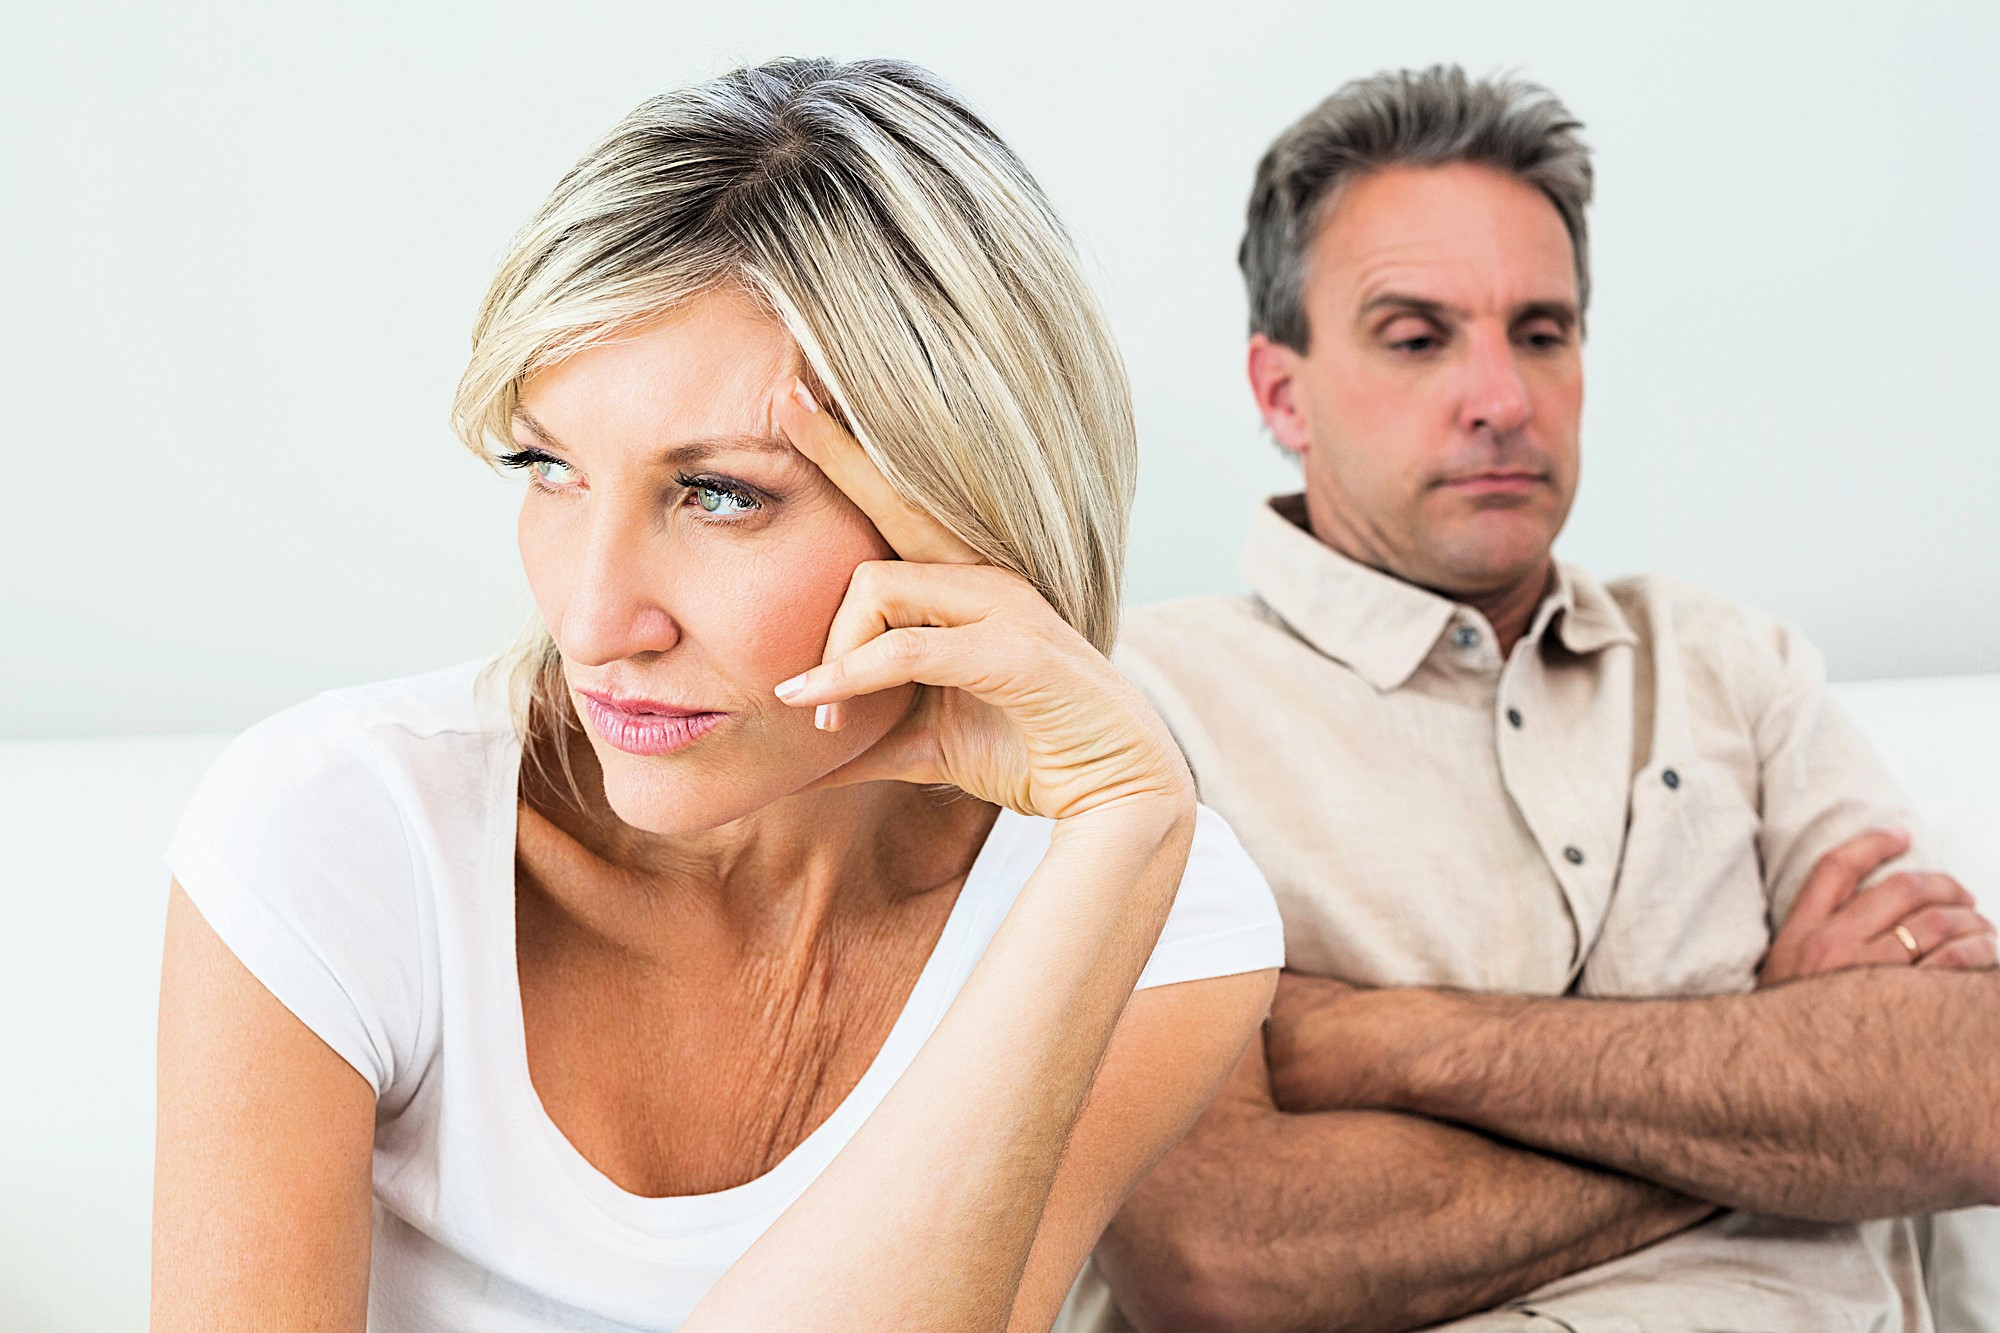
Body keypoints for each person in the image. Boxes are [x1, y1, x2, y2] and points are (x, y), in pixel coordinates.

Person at [150, 58, 1282, 1332]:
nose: (591, 622)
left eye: (720, 494)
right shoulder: (341, 830)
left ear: (968, 502)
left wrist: (1123, 829)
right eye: (549, 466)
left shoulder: (1153, 903)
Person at [1067, 65, 2000, 1332]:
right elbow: (1224, 1256)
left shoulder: (1732, 662)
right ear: (1279, 391)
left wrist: (1390, 1041)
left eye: (1541, 332)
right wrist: (1779, 1069)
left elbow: (1967, 1097)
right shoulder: (1140, 712)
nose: (1501, 399)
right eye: (1415, 336)